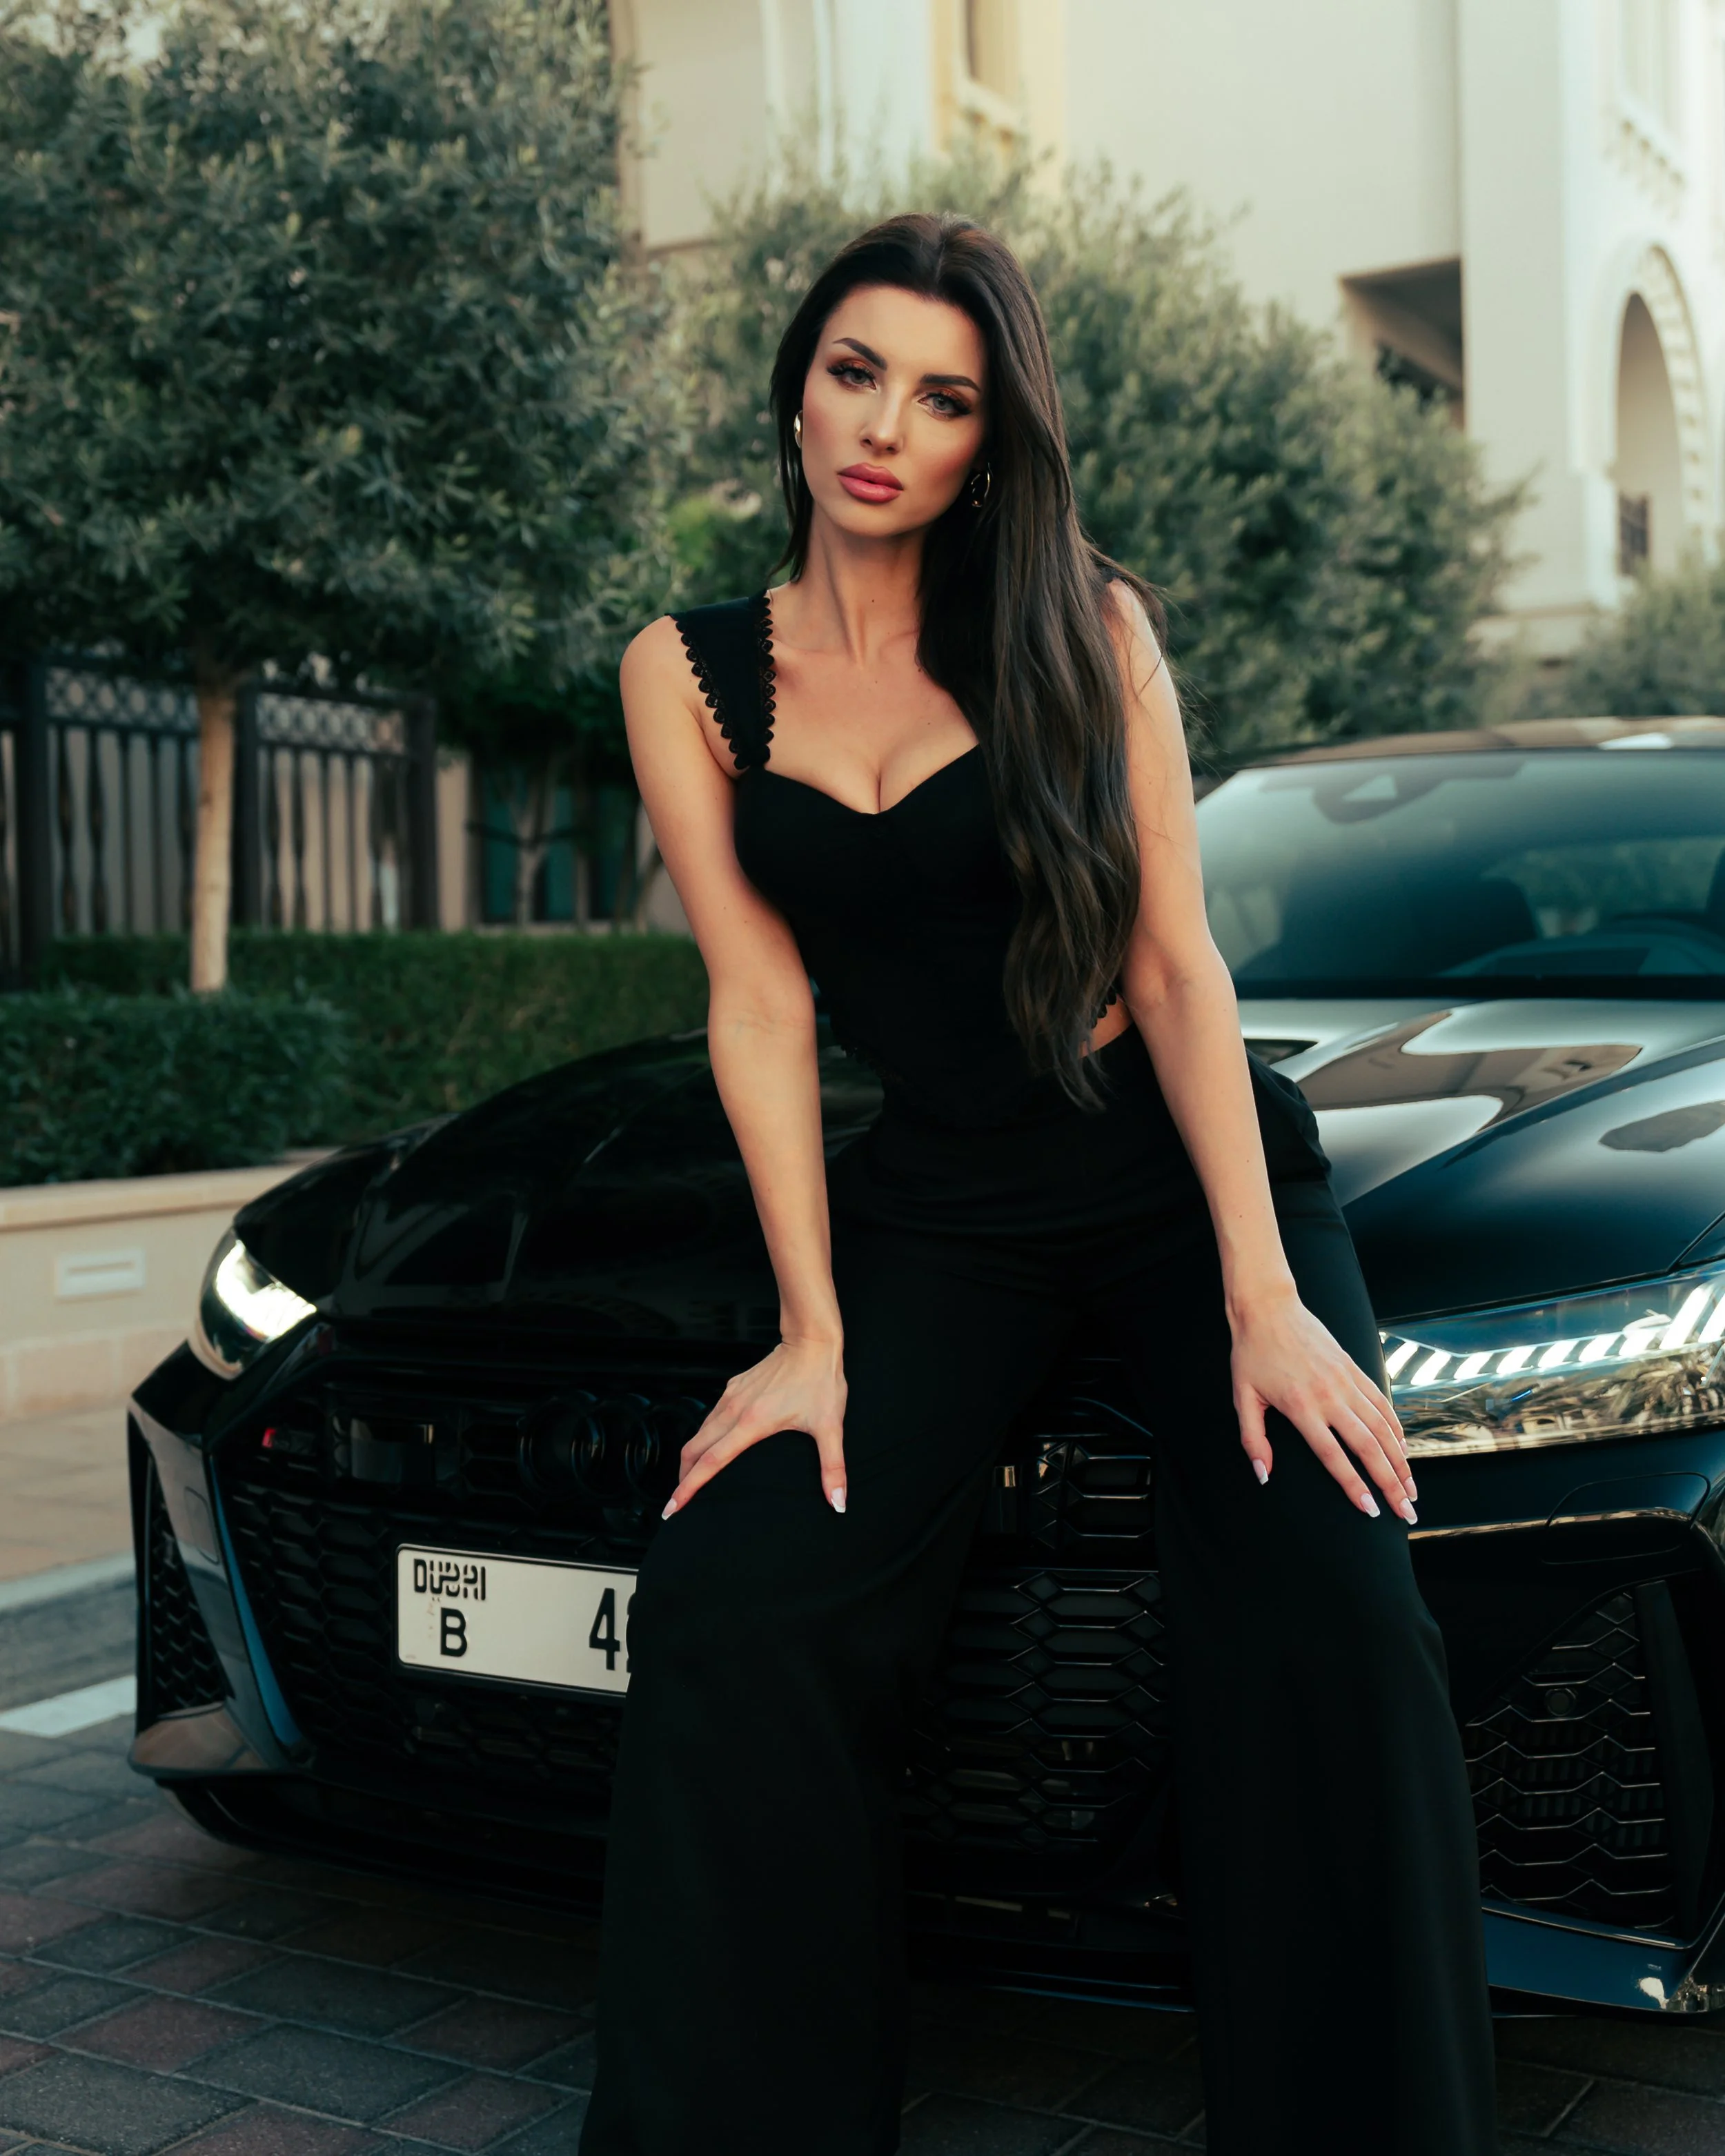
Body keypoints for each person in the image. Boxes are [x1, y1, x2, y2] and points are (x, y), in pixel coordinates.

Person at [578, 212, 1497, 2156]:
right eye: (853, 372)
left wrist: (1261, 1292)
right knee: (736, 1588)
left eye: (942, 395)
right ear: (797, 384)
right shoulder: (688, 674)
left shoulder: (1082, 622)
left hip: (1176, 1175)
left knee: (1332, 1589)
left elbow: (1172, 964)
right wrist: (809, 1336)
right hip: (938, 1202)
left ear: (992, 437)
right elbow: (755, 1002)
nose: (883, 428)